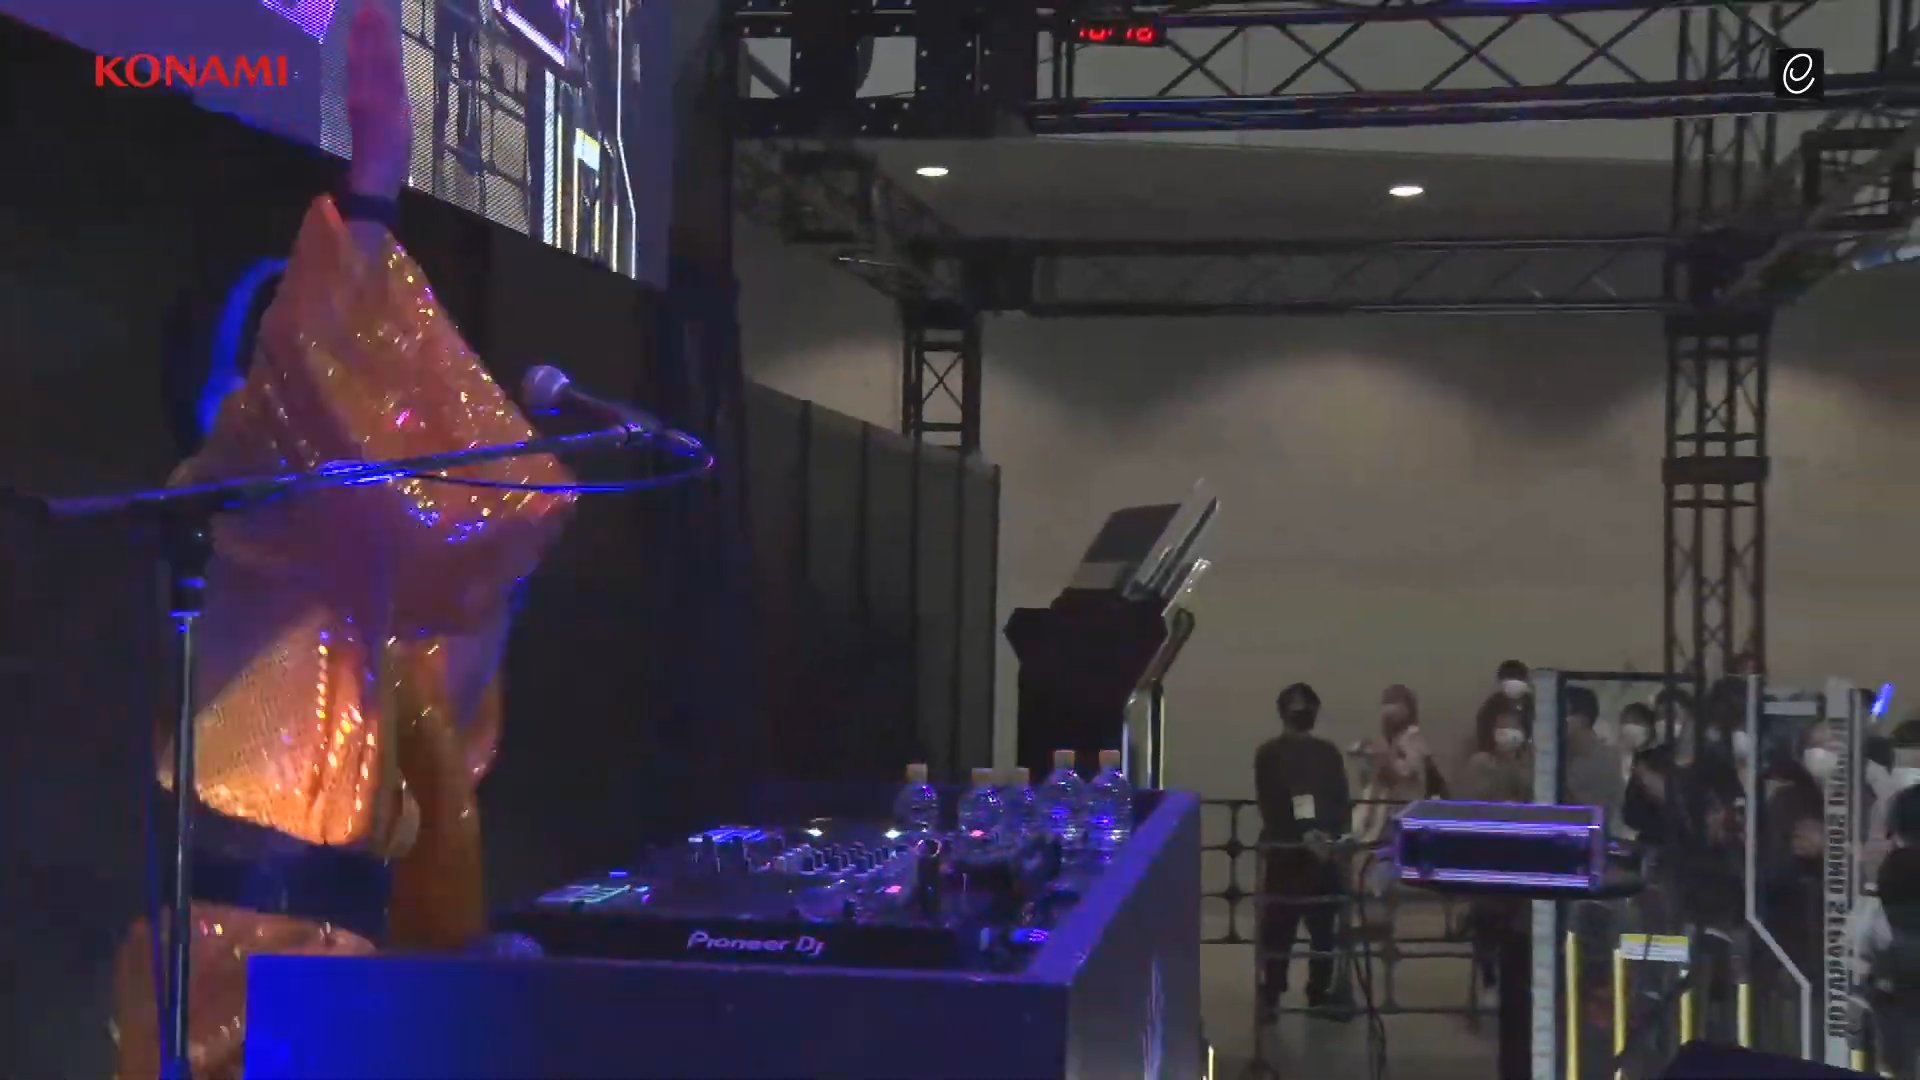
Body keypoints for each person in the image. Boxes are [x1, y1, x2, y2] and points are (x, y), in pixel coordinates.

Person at [108, 6, 578, 1075]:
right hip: (228, 958)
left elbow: (444, 723)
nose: (324, 390)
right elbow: (306, 359)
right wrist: (371, 187)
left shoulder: (353, 578)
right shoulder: (222, 502)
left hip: (337, 960)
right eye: (283, 361)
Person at [1255, 682, 1353, 1019]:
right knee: (1278, 929)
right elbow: (1271, 800)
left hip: (1322, 856)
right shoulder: (1269, 754)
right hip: (1286, 854)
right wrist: (1303, 833)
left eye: (1307, 706)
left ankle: (1319, 991)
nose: (1302, 713)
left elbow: (1339, 797)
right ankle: (1271, 992)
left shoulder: (1328, 753)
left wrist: (1331, 836)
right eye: (1297, 706)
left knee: (1324, 928)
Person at [1461, 692, 1534, 1080]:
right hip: (1490, 853)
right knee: (1488, 911)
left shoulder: (1533, 762)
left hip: (1528, 857)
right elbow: (1476, 801)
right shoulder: (1479, 762)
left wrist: (1518, 771)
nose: (1508, 733)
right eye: (1502, 726)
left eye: (1515, 726)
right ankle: (1489, 972)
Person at [1354, 684, 1447, 845]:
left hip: (1405, 822)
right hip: (1381, 824)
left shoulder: (1412, 740)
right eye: (1387, 701)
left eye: (1393, 702)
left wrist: (1382, 758)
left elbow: (1401, 774)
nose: (1387, 712)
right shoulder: (1390, 742)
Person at [1562, 686, 1625, 827]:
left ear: (1582, 719)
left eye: (1563, 713)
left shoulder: (1607, 759)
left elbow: (1595, 815)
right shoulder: (1559, 755)